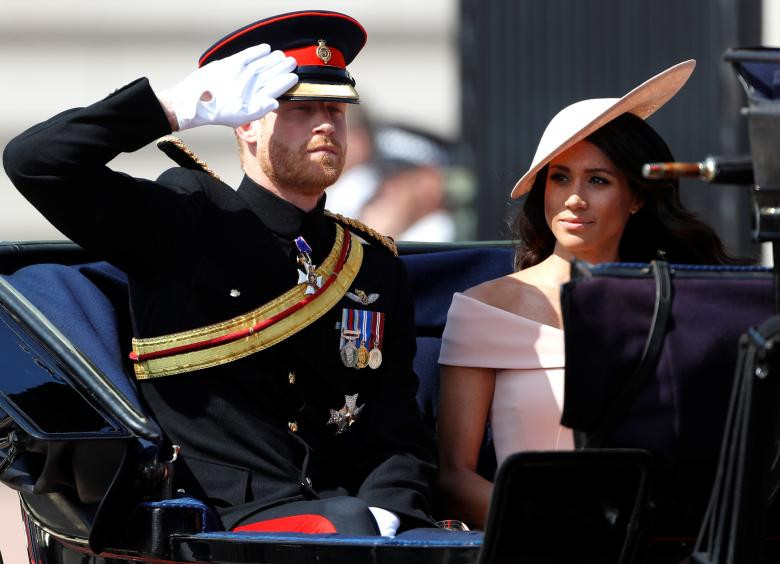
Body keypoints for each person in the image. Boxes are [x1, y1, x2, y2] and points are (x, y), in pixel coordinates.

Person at [2, 10, 436, 537]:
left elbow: (394, 427)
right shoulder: (188, 220)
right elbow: (35, 162)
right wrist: (170, 110)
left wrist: (393, 511)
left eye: (335, 109)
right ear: (248, 122)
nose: (325, 124)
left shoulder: (369, 264)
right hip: (222, 520)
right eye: (299, 109)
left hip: (346, 519)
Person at [435, 60, 746, 528]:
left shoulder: (684, 303)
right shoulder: (483, 308)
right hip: (534, 545)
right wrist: (552, 530)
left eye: (598, 180)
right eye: (560, 177)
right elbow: (454, 478)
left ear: (636, 198)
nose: (574, 197)